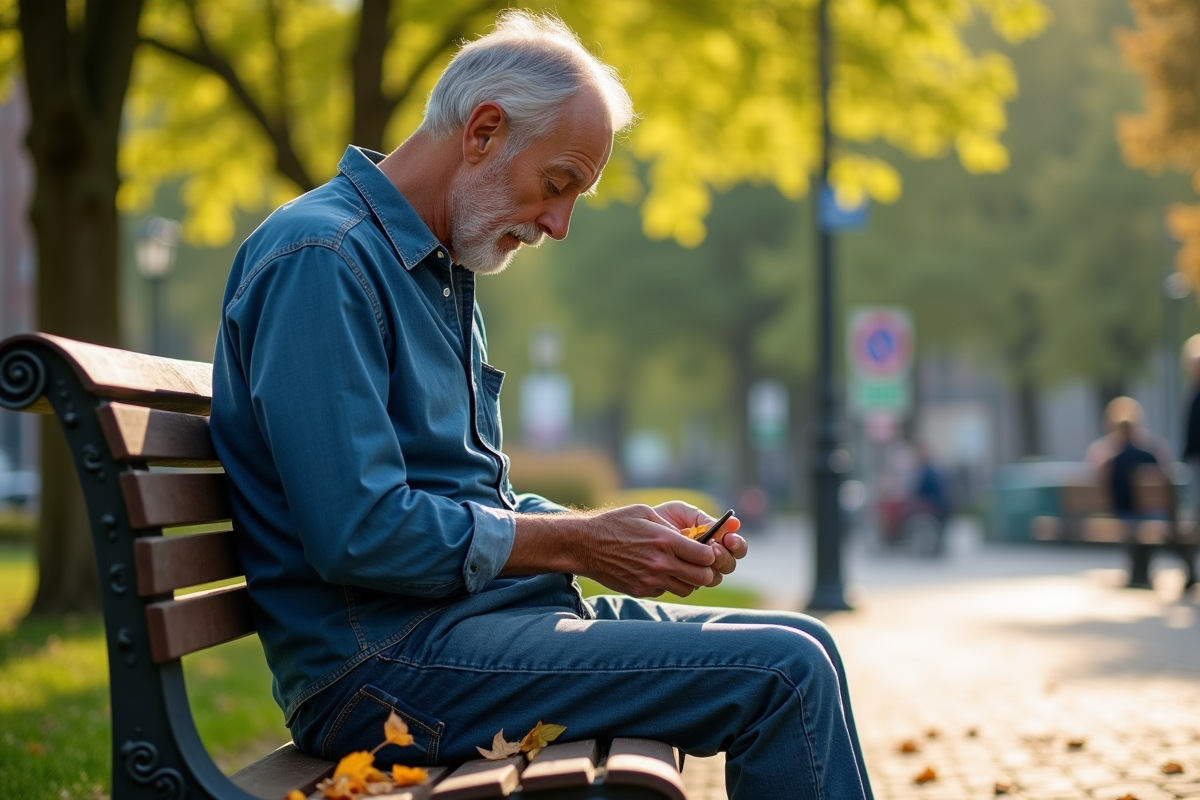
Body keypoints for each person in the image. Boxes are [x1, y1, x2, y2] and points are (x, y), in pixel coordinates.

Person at [210, 12, 872, 800]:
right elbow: (359, 531)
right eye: (557, 185)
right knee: (783, 674)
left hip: (460, 632)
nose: (558, 225)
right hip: (380, 670)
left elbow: (468, 500)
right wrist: (580, 544)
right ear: (483, 131)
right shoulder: (322, 261)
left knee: (805, 640)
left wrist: (627, 535)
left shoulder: (433, 270)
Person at [1086, 397, 1175, 588]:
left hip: (1124, 513)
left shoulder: (1109, 457)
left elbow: (1097, 476)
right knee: (1149, 523)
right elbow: (1167, 476)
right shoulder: (1149, 453)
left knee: (1135, 524)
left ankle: (1137, 574)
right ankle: (1142, 573)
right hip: (1151, 514)